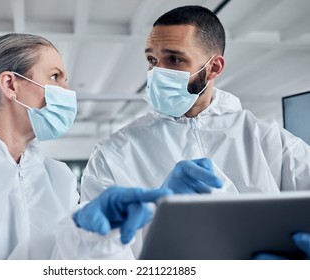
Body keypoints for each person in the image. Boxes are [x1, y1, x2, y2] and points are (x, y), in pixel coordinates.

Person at [0, 32, 223, 260]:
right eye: (55, 77)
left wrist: (97, 237)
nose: (67, 92)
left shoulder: (58, 177)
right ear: (10, 85)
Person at [80, 5, 310, 259]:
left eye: (175, 59)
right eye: (152, 60)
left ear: (213, 68)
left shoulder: (268, 139)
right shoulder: (113, 153)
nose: (157, 73)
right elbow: (94, 254)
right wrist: (158, 214)